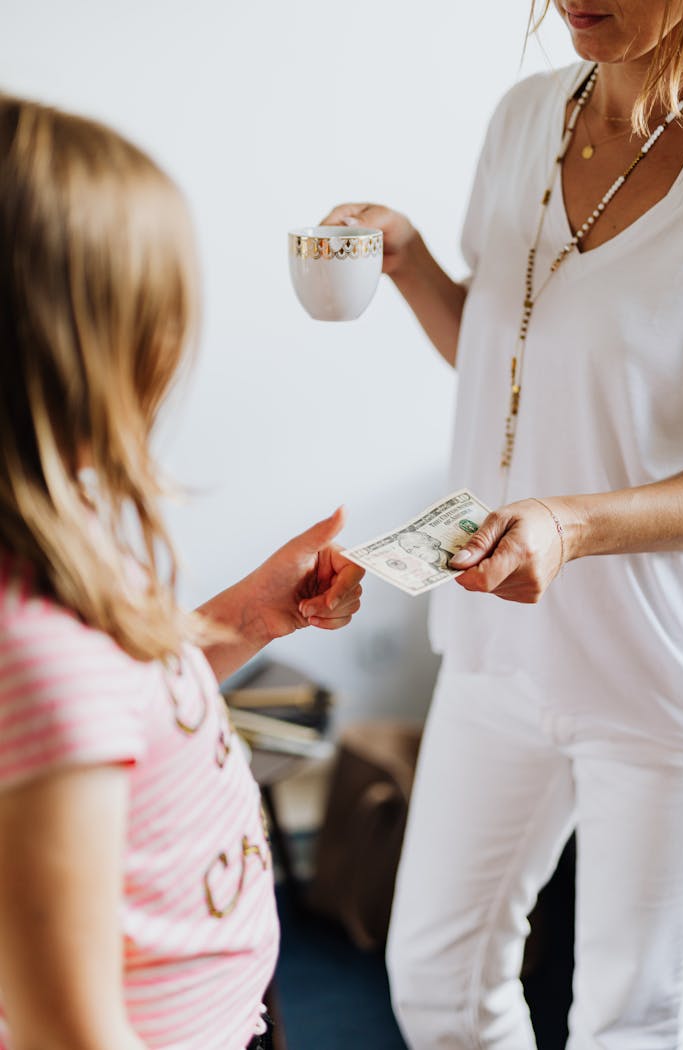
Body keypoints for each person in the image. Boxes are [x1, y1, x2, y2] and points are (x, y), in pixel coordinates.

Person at [324, 1, 683, 1047]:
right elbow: (504, 365)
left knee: (633, 1016)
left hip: (660, 668)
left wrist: (569, 524)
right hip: (498, 640)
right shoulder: (524, 116)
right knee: (435, 981)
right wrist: (405, 264)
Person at [0, 95, 364, 1050]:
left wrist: (248, 618)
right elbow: (68, 1030)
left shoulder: (58, 526)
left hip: (225, 998)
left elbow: (129, 702)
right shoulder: (37, 648)